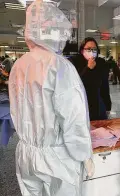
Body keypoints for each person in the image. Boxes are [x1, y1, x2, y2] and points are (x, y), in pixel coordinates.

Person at [9, 1, 94, 195]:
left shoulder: (19, 66)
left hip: (26, 155)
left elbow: (18, 110)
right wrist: (84, 154)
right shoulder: (59, 66)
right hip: (57, 159)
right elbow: (73, 117)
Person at [70, 37, 112, 121]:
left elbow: (104, 87)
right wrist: (88, 68)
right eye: (88, 49)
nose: (92, 52)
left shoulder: (101, 63)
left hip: (98, 108)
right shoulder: (75, 62)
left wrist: (108, 106)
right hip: (81, 108)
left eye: (94, 49)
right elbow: (76, 85)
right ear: (82, 50)